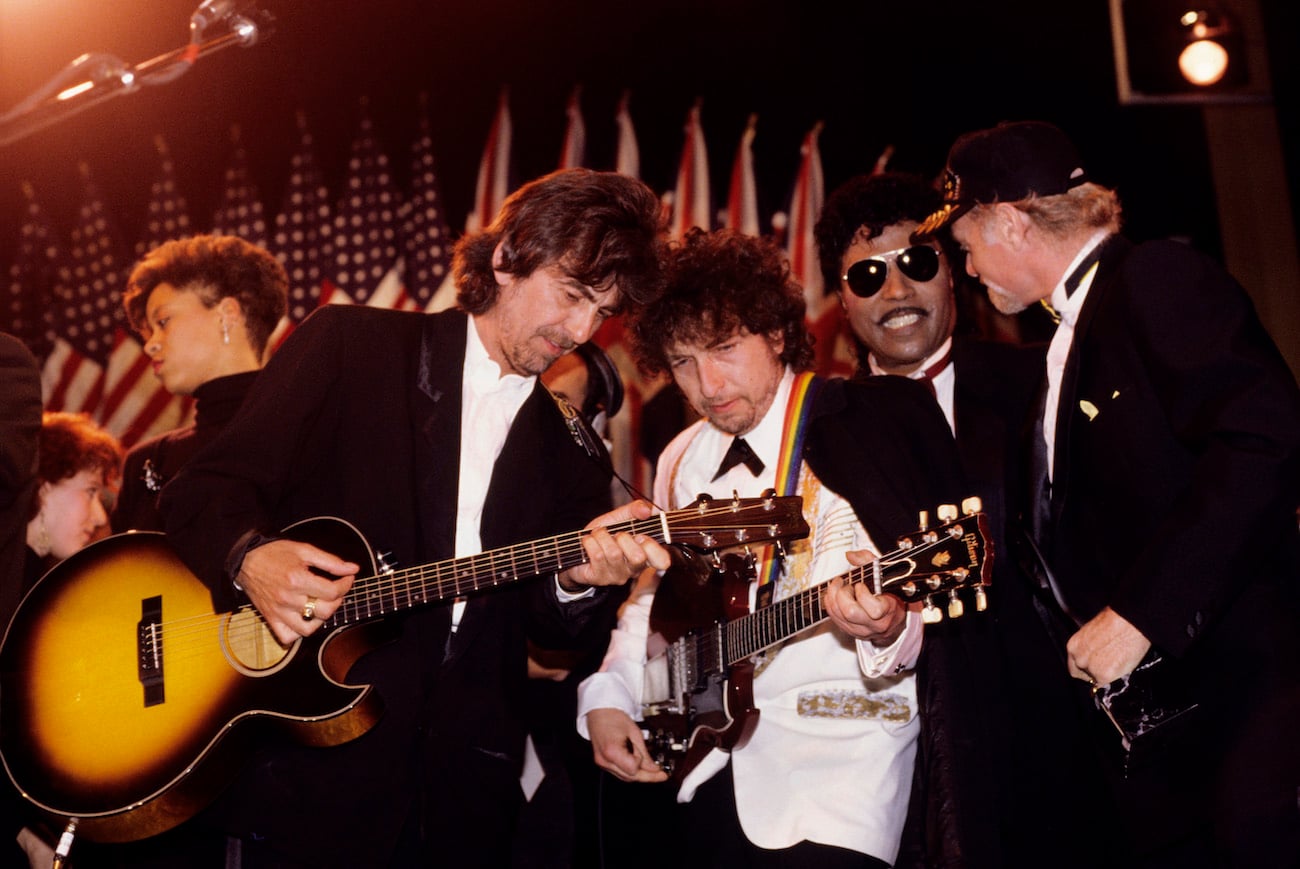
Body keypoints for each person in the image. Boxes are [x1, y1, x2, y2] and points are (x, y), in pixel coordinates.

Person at [156, 167, 672, 867]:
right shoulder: (351, 346)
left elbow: (549, 631)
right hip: (311, 781)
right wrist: (249, 556)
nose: (582, 330)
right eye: (573, 294)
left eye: (600, 311)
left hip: (464, 805)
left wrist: (579, 580)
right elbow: (203, 488)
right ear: (507, 258)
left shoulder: (572, 444)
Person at [914, 119, 1300, 866]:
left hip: (1249, 706)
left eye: (965, 245)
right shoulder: (1063, 342)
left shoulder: (1153, 278)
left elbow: (1264, 438)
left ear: (1010, 223)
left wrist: (1141, 615)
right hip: (1171, 750)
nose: (967, 268)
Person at [577, 228, 964, 868]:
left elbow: (926, 626)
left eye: (724, 348)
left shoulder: (867, 424)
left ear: (777, 334)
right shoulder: (680, 457)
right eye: (683, 362)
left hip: (842, 776)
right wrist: (609, 696)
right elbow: (653, 600)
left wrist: (888, 625)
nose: (708, 383)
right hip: (706, 766)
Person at [816, 172, 1108, 865]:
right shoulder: (823, 435)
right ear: (840, 300)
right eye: (867, 275)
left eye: (917, 262)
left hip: (1084, 739)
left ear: (954, 269)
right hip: (922, 772)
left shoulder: (1043, 379)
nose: (896, 290)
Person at [112, 233, 289, 533]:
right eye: (148, 333)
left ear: (227, 314)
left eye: (163, 322)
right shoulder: (145, 462)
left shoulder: (309, 437)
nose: (150, 345)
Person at [9, 411, 123, 867]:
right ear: (42, 488)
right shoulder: (13, 590)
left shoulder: (43, 588)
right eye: (90, 491)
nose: (99, 516)